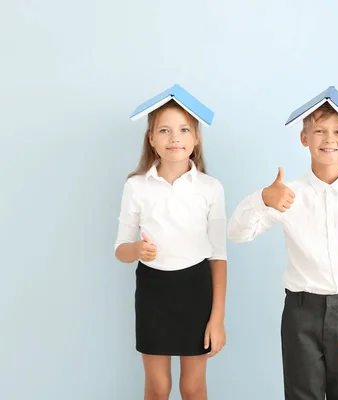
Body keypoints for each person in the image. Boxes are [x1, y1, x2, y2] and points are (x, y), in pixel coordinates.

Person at [227, 87, 338, 400]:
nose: (329, 139)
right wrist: (262, 199)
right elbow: (237, 233)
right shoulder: (289, 195)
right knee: (302, 395)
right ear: (305, 138)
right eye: (319, 131)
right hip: (301, 313)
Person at [114, 91, 227, 400]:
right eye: (164, 130)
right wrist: (137, 249)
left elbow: (218, 255)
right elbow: (121, 249)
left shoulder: (210, 188)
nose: (174, 138)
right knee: (158, 387)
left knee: (192, 387)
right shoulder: (136, 186)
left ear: (196, 138)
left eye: (184, 130)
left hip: (196, 290)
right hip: (154, 291)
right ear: (151, 138)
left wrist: (216, 318)